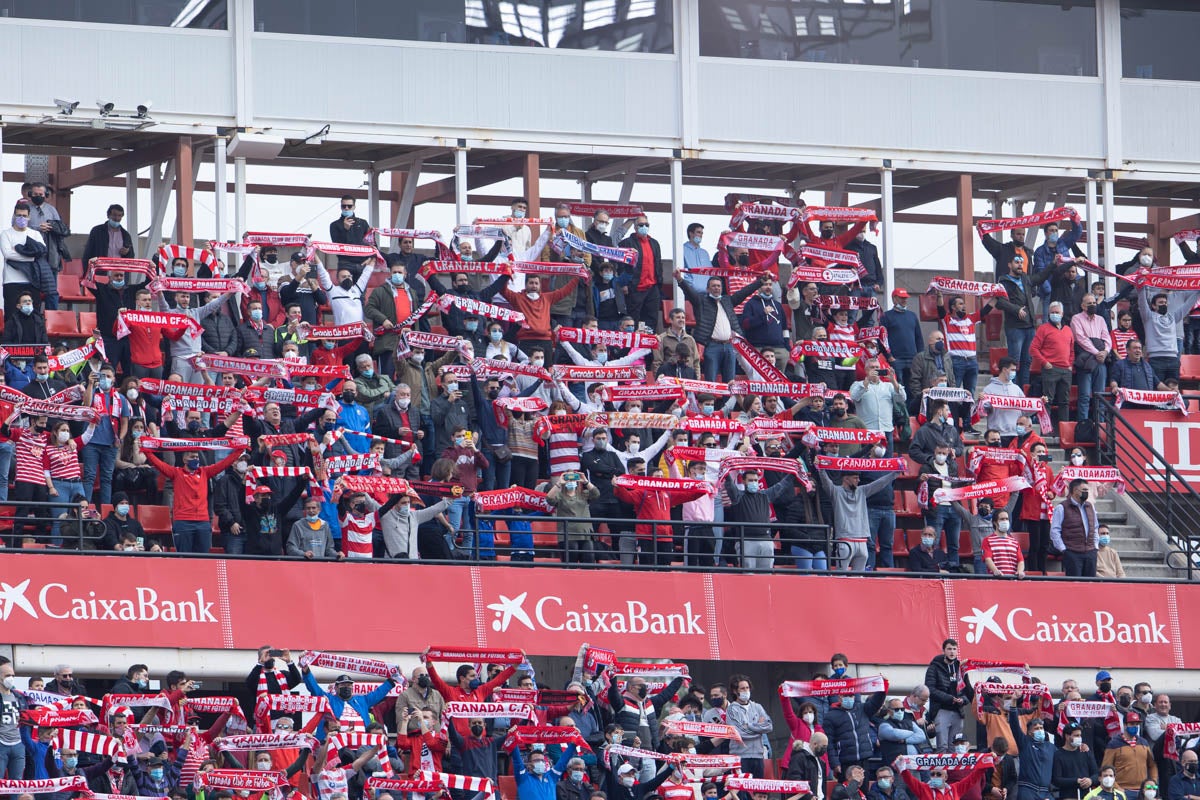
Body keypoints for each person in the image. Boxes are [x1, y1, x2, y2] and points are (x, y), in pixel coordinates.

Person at [144, 446, 245, 553]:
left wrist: (240, 449)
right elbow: (159, 465)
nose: (196, 459)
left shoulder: (205, 472)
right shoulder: (176, 473)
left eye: (197, 457)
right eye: (192, 457)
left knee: (203, 559)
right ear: (184, 460)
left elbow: (224, 463)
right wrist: (146, 450)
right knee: (184, 558)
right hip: (183, 522)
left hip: (203, 522)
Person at [677, 269, 761, 383]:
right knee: (711, 380)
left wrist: (760, 281)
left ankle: (726, 402)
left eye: (718, 286)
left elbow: (744, 292)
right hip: (712, 345)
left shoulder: (727, 300)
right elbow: (689, 292)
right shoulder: (701, 301)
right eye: (713, 286)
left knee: (730, 382)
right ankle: (710, 401)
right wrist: (680, 280)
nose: (716, 288)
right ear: (708, 289)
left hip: (729, 346)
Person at [818, 465, 896, 571]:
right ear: (846, 478)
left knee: (859, 578)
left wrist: (895, 473)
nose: (858, 480)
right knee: (841, 576)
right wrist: (821, 469)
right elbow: (826, 482)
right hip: (844, 540)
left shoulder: (862, 491)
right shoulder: (835, 492)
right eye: (855, 478)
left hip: (862, 540)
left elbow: (880, 483)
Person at [938, 293, 995, 431]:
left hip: (972, 362)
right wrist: (939, 295)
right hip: (956, 361)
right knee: (954, 394)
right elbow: (940, 309)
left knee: (969, 394)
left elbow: (987, 308)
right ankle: (954, 424)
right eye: (960, 304)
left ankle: (968, 424)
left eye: (963, 304)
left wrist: (997, 294)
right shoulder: (947, 320)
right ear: (952, 307)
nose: (963, 306)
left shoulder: (971, 318)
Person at [1138, 285, 1200, 386]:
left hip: (1173, 360)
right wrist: (1140, 287)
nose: (1164, 305)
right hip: (1156, 360)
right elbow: (1142, 302)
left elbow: (1188, 305)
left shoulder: (1173, 317)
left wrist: (1198, 290)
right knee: (1157, 392)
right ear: (1153, 306)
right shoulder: (1148, 317)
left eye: (1165, 303)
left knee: (1173, 392)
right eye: (1161, 303)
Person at [1031, 301, 1074, 427]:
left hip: (1065, 370)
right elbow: (1033, 348)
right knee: (1047, 400)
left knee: (1064, 402)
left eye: (1057, 312)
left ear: (1062, 314)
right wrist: (1044, 363)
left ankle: (1064, 429)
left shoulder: (1068, 330)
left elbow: (1071, 350)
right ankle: (1046, 428)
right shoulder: (1043, 328)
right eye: (1052, 312)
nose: (1055, 314)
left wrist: (1070, 364)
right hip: (1050, 369)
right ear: (1049, 314)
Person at [826, 690, 886, 778]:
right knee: (847, 790)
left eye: (851, 696)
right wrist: (835, 763)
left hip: (864, 759)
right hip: (845, 762)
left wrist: (882, 689)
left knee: (863, 790)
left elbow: (876, 702)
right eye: (845, 695)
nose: (849, 698)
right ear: (839, 697)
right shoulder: (830, 716)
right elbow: (829, 743)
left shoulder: (862, 709)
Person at [925, 639, 972, 750]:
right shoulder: (934, 667)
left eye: (954, 649)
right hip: (941, 710)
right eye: (949, 649)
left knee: (955, 746)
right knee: (942, 745)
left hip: (958, 711)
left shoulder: (961, 668)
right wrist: (950, 698)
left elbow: (968, 691)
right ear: (944, 651)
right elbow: (930, 689)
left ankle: (954, 768)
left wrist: (963, 700)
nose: (952, 652)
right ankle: (941, 768)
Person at [620, 214, 664, 331]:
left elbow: (658, 264)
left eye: (646, 225)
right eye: (641, 225)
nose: (644, 227)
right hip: (635, 287)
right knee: (633, 319)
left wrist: (660, 282)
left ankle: (648, 346)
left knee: (651, 319)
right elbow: (620, 264)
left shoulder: (654, 243)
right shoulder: (627, 243)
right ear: (635, 227)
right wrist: (624, 283)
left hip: (652, 288)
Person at [1071, 294, 1111, 422]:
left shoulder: (1100, 319)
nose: (1092, 305)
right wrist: (1097, 352)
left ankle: (1101, 426)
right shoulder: (1076, 319)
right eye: (1089, 303)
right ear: (1083, 306)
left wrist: (1105, 352)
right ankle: (1083, 425)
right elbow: (1081, 339)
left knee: (1100, 396)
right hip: (1085, 360)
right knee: (1084, 395)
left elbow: (1107, 338)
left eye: (1094, 303)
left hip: (1100, 360)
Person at [547, 471, 602, 564]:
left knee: (588, 563)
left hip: (586, 535)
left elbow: (596, 493)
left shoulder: (583, 494)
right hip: (568, 536)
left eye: (573, 479)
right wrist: (559, 482)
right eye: (568, 479)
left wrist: (585, 481)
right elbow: (549, 499)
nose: (571, 481)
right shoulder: (560, 496)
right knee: (570, 564)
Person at [1050, 479, 1099, 578]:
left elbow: (1095, 527)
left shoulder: (1090, 506)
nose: (1087, 492)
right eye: (1084, 490)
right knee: (1074, 586)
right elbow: (1055, 531)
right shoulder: (1062, 507)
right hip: (1072, 553)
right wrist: (1064, 549)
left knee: (1091, 585)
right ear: (1075, 491)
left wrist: (1095, 546)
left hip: (1090, 552)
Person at [726, 674, 773, 778]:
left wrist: (749, 725)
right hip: (740, 757)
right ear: (735, 691)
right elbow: (738, 733)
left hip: (758, 755)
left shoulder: (757, 707)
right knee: (742, 792)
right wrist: (759, 729)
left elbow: (769, 726)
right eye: (742, 688)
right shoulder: (731, 709)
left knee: (759, 791)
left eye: (747, 688)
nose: (746, 691)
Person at [1102, 714, 1156, 800]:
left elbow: (1152, 765)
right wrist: (1117, 788)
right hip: (1123, 791)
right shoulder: (1114, 744)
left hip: (1142, 791)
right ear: (1125, 725)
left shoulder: (1144, 743)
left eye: (1137, 724)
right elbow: (1105, 768)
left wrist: (1153, 783)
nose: (1135, 726)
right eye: (1132, 724)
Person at [1009, 711, 1056, 800]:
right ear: (1030, 732)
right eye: (1036, 728)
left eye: (1041, 728)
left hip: (1045, 792)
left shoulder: (1051, 747)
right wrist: (1013, 705)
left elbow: (1063, 755)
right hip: (1028, 790)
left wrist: (1080, 747)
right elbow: (1014, 725)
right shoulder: (1025, 743)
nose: (1040, 730)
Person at [882, 289, 924, 389]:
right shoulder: (886, 316)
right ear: (894, 299)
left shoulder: (912, 316)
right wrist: (889, 356)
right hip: (896, 359)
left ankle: (910, 405)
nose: (904, 300)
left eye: (905, 298)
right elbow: (882, 339)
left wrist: (920, 357)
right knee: (898, 387)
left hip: (913, 359)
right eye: (901, 298)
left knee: (913, 387)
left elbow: (919, 337)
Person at [980, 357, 1028, 439]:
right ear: (1004, 369)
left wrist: (1039, 404)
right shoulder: (989, 389)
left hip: (1015, 433)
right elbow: (982, 413)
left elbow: (1026, 410)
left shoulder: (1017, 389)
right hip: (996, 435)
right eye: (1012, 370)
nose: (1014, 372)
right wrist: (981, 402)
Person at [1053, 724, 1099, 800]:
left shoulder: (1085, 752)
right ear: (1067, 736)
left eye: (1080, 735)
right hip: (1068, 796)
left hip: (1088, 796)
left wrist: (1090, 780)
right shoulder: (1058, 755)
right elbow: (1056, 780)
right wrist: (1076, 781)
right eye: (1076, 735)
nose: (1079, 738)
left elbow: (1096, 774)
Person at [329, 194, 371, 276]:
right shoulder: (334, 225)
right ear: (341, 207)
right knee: (345, 287)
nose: (346, 208)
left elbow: (372, 242)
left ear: (354, 207)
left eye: (349, 206)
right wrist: (345, 230)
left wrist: (370, 258)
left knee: (361, 289)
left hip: (362, 262)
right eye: (344, 206)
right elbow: (337, 245)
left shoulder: (363, 223)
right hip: (345, 263)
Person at [981, 508, 1025, 578]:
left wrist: (1020, 571)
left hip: (1012, 580)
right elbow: (987, 559)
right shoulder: (987, 540)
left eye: (1007, 519)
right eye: (1002, 519)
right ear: (995, 522)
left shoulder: (1015, 542)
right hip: (996, 580)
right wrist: (995, 571)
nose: (1005, 521)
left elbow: (1021, 561)